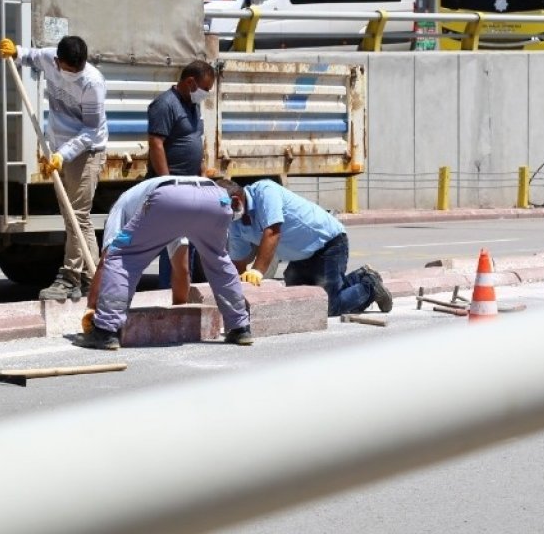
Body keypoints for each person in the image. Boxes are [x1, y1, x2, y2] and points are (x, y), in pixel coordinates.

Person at [77, 176, 253, 350]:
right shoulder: (204, 193)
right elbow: (181, 265)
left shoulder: (121, 206)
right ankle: (240, 328)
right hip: (216, 202)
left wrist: (92, 307)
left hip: (168, 198)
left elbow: (108, 257)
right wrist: (180, 309)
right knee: (219, 262)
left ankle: (106, 331)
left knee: (121, 256)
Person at [0, 35, 107, 302]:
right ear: (58, 62)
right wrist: (15, 52)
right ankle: (92, 279)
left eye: (78, 69)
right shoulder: (49, 58)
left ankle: (70, 278)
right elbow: (30, 56)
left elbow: (92, 131)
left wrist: (63, 154)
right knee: (75, 219)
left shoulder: (92, 81)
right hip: (59, 149)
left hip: (86, 151)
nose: (74, 74)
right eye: (70, 70)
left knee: (77, 216)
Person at [227, 180, 392, 316]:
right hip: (301, 255)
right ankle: (360, 276)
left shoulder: (265, 192)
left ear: (235, 201)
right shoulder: (235, 223)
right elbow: (238, 263)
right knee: (301, 301)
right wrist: (241, 296)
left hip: (328, 243)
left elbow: (272, 233)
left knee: (327, 307)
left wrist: (256, 272)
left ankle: (369, 285)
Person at [147, 60, 219, 300]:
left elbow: (195, 140)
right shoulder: (165, 104)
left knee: (185, 246)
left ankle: (178, 295)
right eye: (204, 89)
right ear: (190, 82)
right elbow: (156, 143)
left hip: (190, 188)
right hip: (172, 189)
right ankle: (168, 294)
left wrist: (200, 176)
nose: (206, 95)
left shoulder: (192, 105)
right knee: (173, 247)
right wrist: (166, 182)